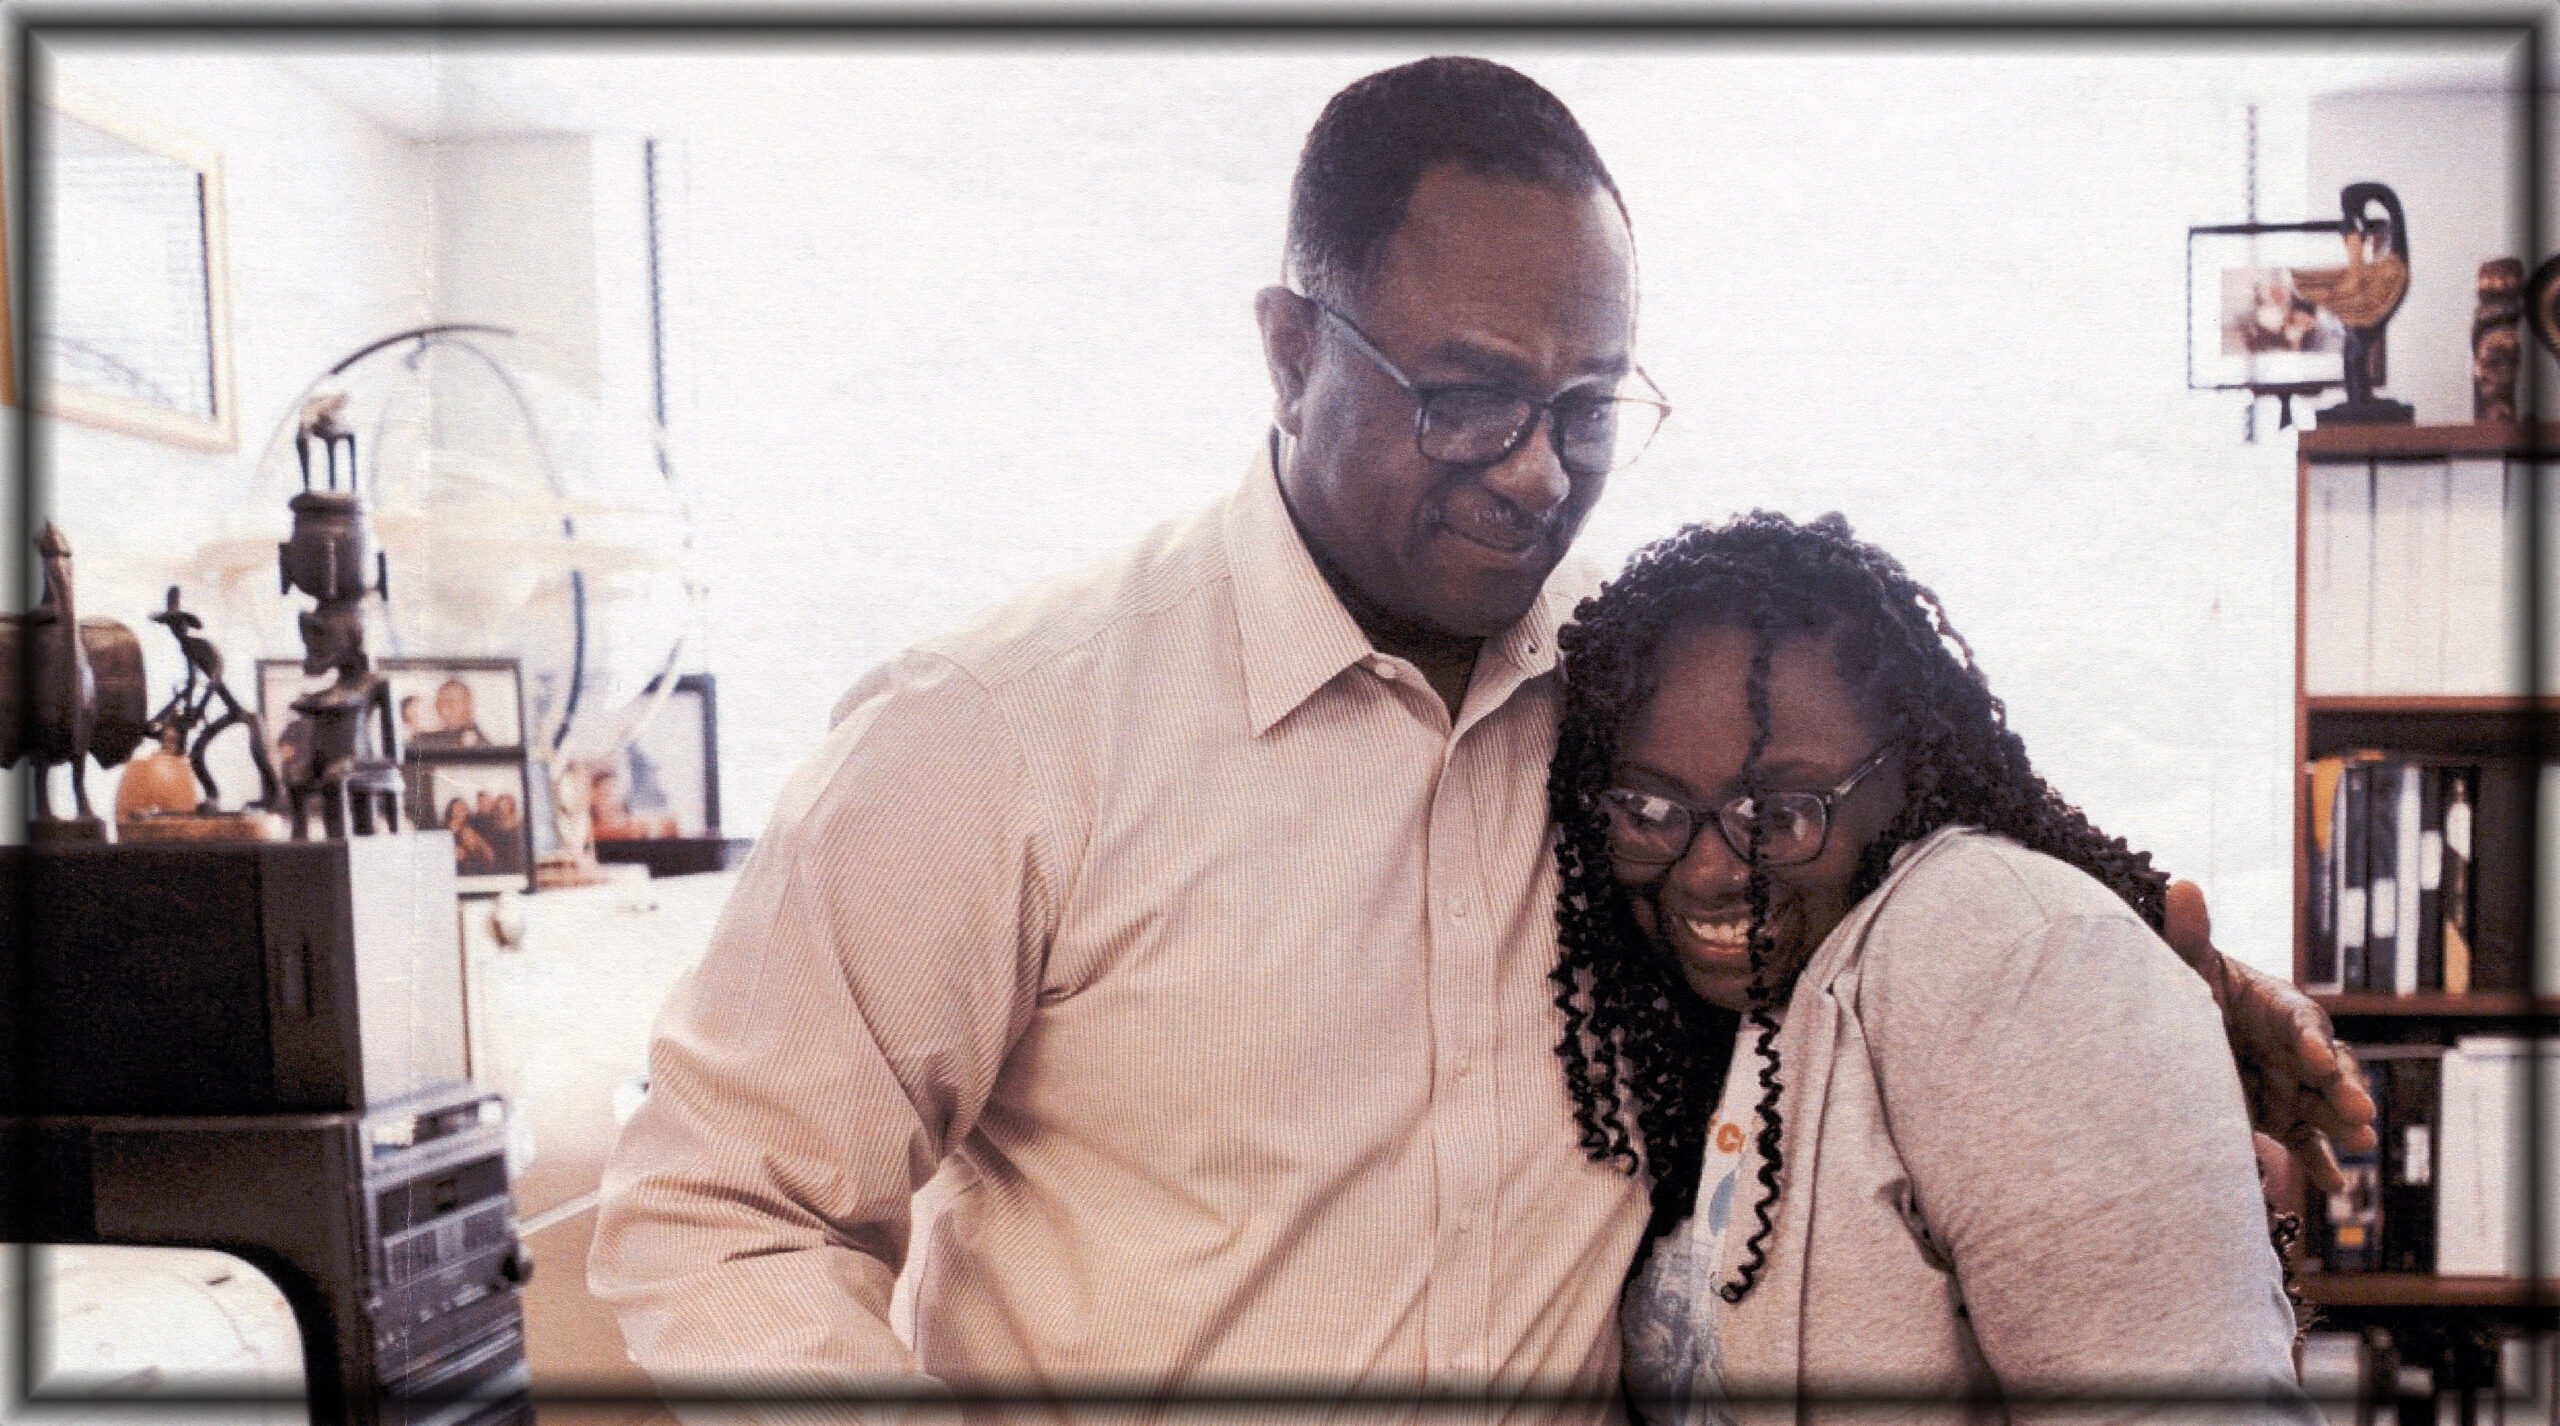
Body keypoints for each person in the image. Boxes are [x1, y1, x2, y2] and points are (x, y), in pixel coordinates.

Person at [590, 57, 2371, 1420]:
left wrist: (2193, 1017)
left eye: (1588, 406)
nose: (1534, 467)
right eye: (1465, 396)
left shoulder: (1634, 706)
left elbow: (1917, 851)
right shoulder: (996, 734)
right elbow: (714, 1207)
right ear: (1290, 350)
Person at [1549, 512, 2319, 1425]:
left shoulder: (2006, 947)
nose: (1710, 872)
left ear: (1906, 778)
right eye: (1648, 807)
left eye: (1780, 813)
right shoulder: (1732, 1016)